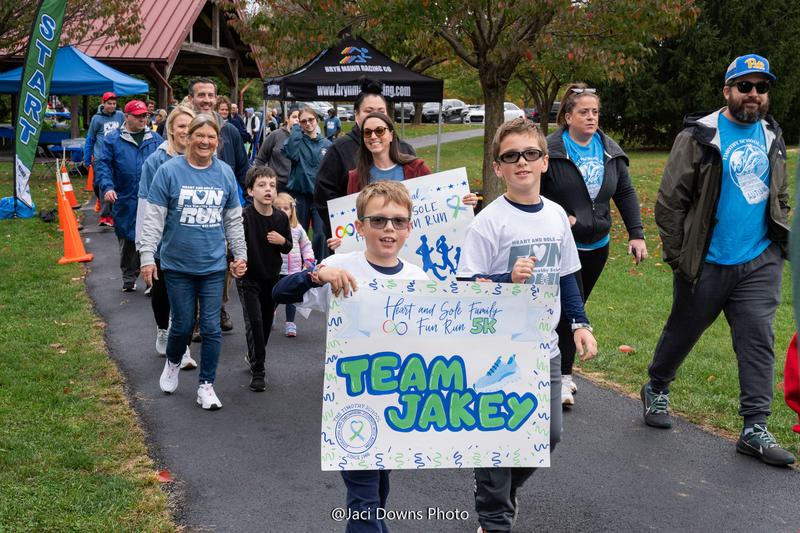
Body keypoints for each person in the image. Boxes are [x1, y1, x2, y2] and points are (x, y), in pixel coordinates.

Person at [641, 54, 794, 466]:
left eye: (761, 88)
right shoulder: (700, 136)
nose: (754, 95)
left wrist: (779, 232)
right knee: (684, 330)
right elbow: (670, 202)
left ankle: (754, 427)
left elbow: (778, 192)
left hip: (759, 259)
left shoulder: (771, 134)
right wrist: (679, 257)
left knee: (758, 339)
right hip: (706, 260)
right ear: (727, 91)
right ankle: (657, 386)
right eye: (745, 86)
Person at [457, 117, 597, 532]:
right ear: (498, 167)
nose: (522, 162)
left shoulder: (555, 216)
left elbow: (568, 275)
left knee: (546, 437)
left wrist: (579, 323)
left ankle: (497, 495)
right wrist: (505, 280)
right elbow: (466, 286)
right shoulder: (489, 221)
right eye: (511, 156)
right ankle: (494, 516)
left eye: (530, 154)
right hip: (494, 350)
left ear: (544, 162)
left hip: (542, 348)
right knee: (498, 436)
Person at [273, 180, 429, 533]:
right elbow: (279, 293)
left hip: (398, 405)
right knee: (364, 498)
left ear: (409, 228)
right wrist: (316, 276)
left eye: (398, 221)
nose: (388, 228)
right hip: (353, 405)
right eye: (378, 221)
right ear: (359, 227)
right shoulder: (340, 266)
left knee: (380, 488)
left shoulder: (419, 280)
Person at [541, 83, 647, 407]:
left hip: (597, 244)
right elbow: (534, 188)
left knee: (576, 306)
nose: (591, 117)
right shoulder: (551, 150)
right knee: (567, 312)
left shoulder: (609, 151)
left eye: (595, 112)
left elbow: (625, 193)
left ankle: (560, 374)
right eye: (584, 112)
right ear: (568, 116)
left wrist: (636, 234)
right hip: (560, 245)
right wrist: (560, 215)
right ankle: (561, 377)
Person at [139, 114, 247, 410]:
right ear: (188, 138)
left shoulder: (224, 173)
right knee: (183, 324)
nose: (205, 141)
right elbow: (154, 218)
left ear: (217, 141)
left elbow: (233, 219)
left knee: (211, 328)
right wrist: (147, 255)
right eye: (199, 135)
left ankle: (206, 385)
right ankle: (173, 362)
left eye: (211, 137)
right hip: (176, 265)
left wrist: (240, 255)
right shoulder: (169, 171)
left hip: (213, 265)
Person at [135, 104, 197, 369]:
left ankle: (182, 348)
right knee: (162, 294)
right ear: (170, 129)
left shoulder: (203, 158)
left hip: (193, 242)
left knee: (188, 298)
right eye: (180, 126)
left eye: (189, 126)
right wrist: (144, 249)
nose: (185, 131)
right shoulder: (155, 161)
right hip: (162, 242)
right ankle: (163, 329)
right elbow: (145, 205)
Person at [314, 81, 417, 240]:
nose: (375, 115)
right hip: (359, 239)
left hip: (404, 239)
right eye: (368, 111)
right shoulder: (340, 149)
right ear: (356, 115)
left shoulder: (405, 150)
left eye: (381, 111)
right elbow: (324, 195)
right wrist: (344, 232)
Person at [187, 77, 250, 333]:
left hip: (224, 209)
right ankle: (193, 316)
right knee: (193, 264)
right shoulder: (185, 128)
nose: (206, 100)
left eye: (211, 95)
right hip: (191, 207)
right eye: (201, 95)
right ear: (192, 98)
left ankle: (218, 308)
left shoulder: (230, 131)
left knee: (224, 263)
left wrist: (248, 198)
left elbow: (243, 168)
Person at [94, 100, 163, 292]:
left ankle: (151, 280)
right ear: (127, 116)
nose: (143, 119)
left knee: (151, 236)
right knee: (127, 238)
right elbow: (103, 165)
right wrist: (107, 187)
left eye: (145, 116)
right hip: (124, 196)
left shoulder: (156, 140)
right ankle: (128, 276)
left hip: (150, 197)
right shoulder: (112, 139)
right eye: (138, 116)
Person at [236, 166, 293, 391]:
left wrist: (282, 241)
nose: (268, 190)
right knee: (255, 321)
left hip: (272, 278)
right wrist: (235, 263)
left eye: (272, 185)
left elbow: (288, 247)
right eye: (261, 185)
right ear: (250, 191)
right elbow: (235, 244)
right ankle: (258, 370)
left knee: (266, 324)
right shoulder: (245, 216)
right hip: (249, 278)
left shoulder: (280, 218)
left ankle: (254, 355)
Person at [282, 106, 332, 261]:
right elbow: (290, 153)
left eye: (310, 120)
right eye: (303, 121)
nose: (308, 123)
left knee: (320, 234)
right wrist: (296, 128)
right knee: (298, 232)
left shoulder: (327, 144)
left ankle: (318, 267)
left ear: (316, 120)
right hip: (300, 196)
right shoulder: (296, 141)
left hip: (319, 197)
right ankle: (299, 266)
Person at [273, 192, 314, 338]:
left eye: (286, 208)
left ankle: (290, 323)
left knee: (292, 298)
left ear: (292, 210)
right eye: (278, 208)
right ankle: (270, 313)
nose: (283, 211)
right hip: (277, 270)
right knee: (275, 296)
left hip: (294, 270)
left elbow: (306, 245)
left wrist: (308, 260)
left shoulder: (297, 228)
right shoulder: (273, 227)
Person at [84, 91, 123, 227]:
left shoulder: (120, 116)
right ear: (103, 103)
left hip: (116, 157)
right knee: (97, 185)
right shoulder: (97, 119)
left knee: (110, 186)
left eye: (114, 103)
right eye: (109, 103)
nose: (112, 106)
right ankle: (101, 203)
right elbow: (90, 139)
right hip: (100, 157)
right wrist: (87, 157)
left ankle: (106, 216)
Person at [253, 107, 300, 192]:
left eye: (300, 118)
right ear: (287, 119)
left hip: (297, 186)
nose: (297, 120)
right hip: (276, 184)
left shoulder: (305, 138)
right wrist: (263, 179)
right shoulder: (275, 135)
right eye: (294, 117)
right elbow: (260, 159)